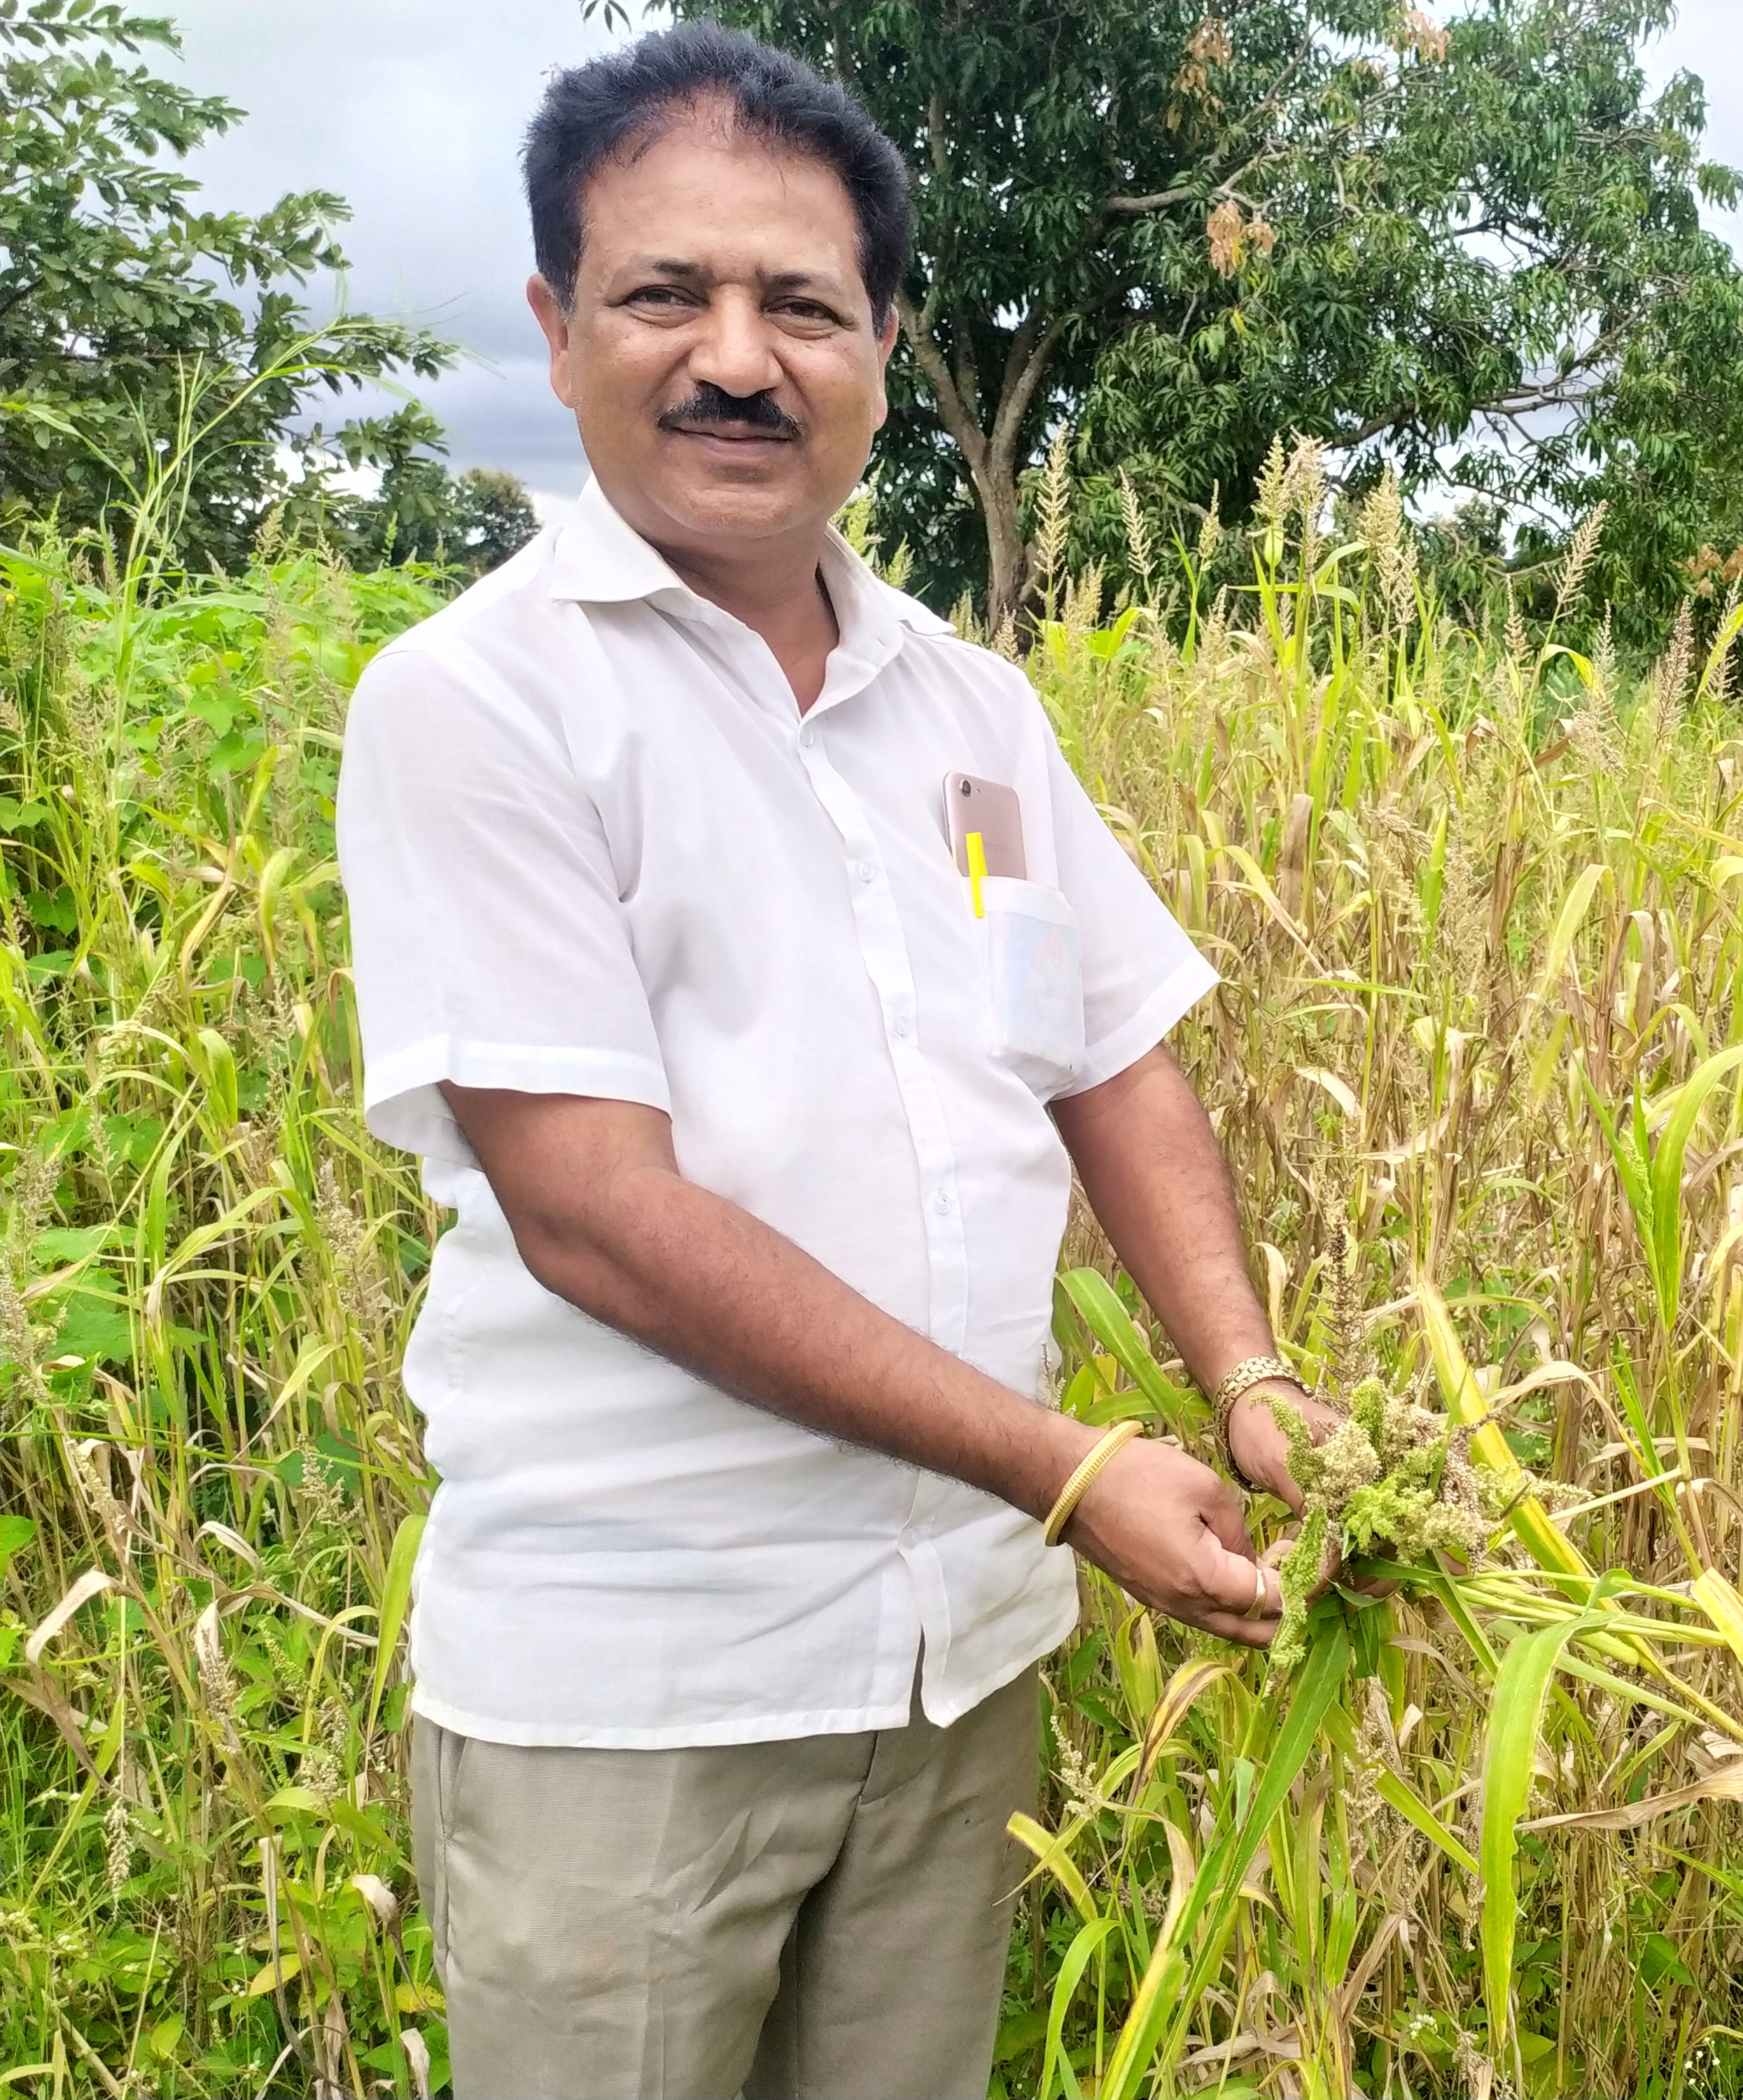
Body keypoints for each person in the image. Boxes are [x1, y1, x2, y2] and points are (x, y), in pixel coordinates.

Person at [335, 23, 1334, 2097]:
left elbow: (1111, 1061)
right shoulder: (482, 706)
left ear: (885, 340)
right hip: (642, 1691)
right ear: (555, 324)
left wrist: (1243, 1379)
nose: (736, 357)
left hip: (957, 1657)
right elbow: (597, 1218)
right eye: (664, 295)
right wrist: (1070, 1471)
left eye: (801, 303)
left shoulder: (968, 711)